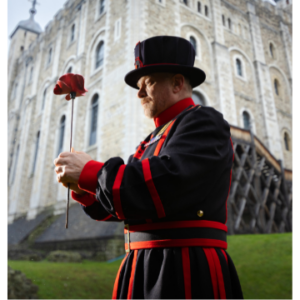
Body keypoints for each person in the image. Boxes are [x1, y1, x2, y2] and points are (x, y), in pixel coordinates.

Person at [54, 36, 243, 299]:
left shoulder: (204, 121)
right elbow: (129, 205)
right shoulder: (149, 140)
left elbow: (166, 183)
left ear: (177, 83)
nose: (139, 93)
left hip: (185, 268)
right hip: (139, 267)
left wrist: (91, 172)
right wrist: (85, 188)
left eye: (147, 83)